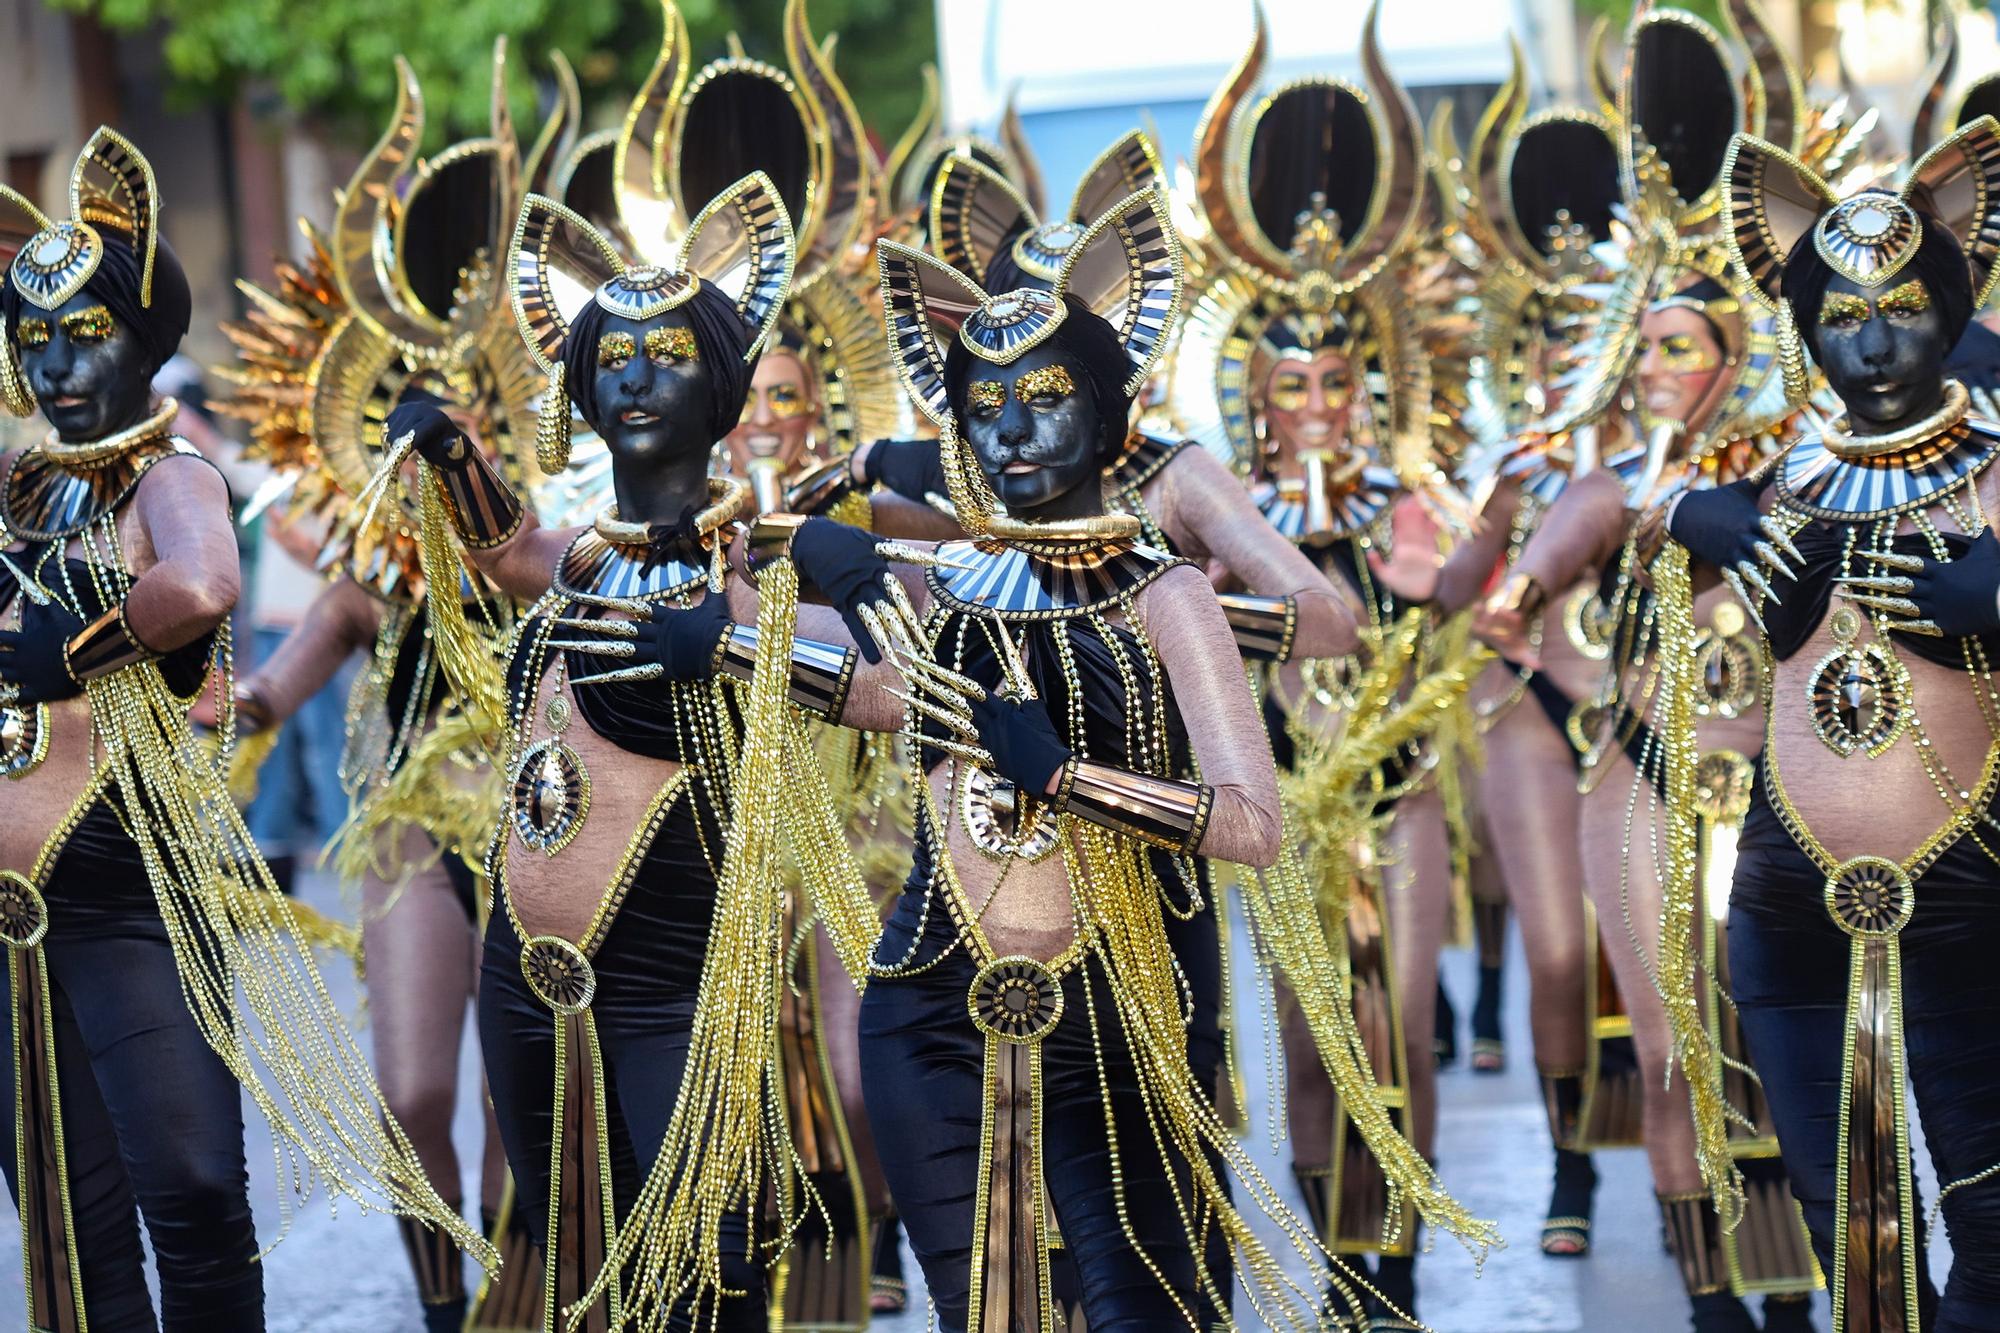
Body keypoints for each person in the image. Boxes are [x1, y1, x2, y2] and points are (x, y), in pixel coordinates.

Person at [791, 180, 1494, 1332]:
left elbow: (1318, 636)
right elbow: (827, 659)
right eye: (986, 400)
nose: (1013, 425)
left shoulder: (1170, 508)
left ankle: (1359, 1272)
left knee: (1150, 1281)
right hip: (932, 1002)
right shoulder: (956, 566)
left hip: (1135, 957)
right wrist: (823, 566)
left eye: (1047, 385)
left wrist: (1149, 636)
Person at [0, 127, 484, 1332]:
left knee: (199, 1191)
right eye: (36, 338)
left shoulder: (167, 476)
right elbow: (264, 674)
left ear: (146, 342)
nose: (61, 364)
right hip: (11, 910)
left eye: (90, 334)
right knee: (70, 1219)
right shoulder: (18, 491)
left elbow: (204, 591)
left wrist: (64, 650)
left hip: (134, 886)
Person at [220, 50, 561, 1331]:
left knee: (519, 1098)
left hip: (544, 830)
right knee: (414, 1090)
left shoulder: (548, 559)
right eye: (411, 420)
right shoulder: (371, 578)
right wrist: (219, 712)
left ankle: (515, 1307)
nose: (434, 439)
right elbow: (282, 680)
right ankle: (438, 1301)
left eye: (464, 420)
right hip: (416, 831)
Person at [1660, 114, 2000, 1330]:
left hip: (1970, 890)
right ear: (1802, 327)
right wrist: (1680, 526)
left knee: (1992, 1221)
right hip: (1784, 890)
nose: (1871, 342)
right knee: (1844, 1220)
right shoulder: (1789, 475)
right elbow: (1669, 650)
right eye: (1840, 316)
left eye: (1903, 305)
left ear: (1956, 298)